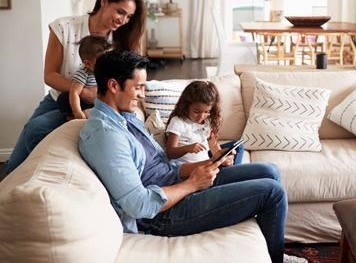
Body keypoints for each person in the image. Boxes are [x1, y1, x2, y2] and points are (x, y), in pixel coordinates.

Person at [78, 50, 288, 263]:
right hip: (163, 214)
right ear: (114, 86)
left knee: (269, 170)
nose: (142, 94)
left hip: (178, 183)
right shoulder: (105, 136)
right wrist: (193, 184)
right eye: (138, 87)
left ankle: (272, 250)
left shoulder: (126, 117)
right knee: (272, 192)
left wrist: (209, 163)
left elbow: (165, 167)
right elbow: (138, 205)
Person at [5, 0, 146, 175]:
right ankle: (16, 187)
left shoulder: (122, 40)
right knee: (19, 154)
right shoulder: (64, 27)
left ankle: (37, 177)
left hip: (99, 105)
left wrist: (97, 97)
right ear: (104, 2)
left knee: (37, 128)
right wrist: (82, 91)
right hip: (60, 97)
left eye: (129, 16)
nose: (123, 20)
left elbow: (129, 83)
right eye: (120, 12)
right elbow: (50, 75)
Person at [165, 80, 244, 164]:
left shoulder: (207, 121)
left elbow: (215, 150)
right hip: (190, 169)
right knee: (258, 169)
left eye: (206, 112)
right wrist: (187, 148)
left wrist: (223, 158)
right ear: (186, 106)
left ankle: (231, 170)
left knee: (238, 147)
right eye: (196, 112)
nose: (201, 116)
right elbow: (170, 153)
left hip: (208, 164)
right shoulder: (178, 122)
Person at [57, 35, 112, 120]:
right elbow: (74, 93)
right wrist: (77, 111)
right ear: (87, 64)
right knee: (64, 97)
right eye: (102, 62)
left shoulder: (107, 72)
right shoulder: (83, 74)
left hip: (99, 103)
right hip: (83, 103)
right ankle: (71, 117)